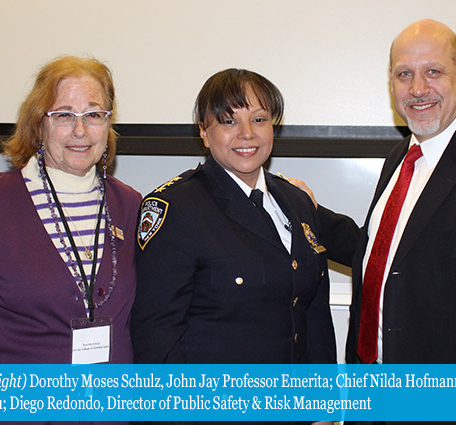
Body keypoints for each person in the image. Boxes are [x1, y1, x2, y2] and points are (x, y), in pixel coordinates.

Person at [297, 19, 456, 368]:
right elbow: (384, 257)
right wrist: (307, 211)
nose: (418, 89)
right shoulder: (401, 158)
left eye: (433, 72)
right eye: (404, 74)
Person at [130, 68, 335, 423]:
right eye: (228, 121)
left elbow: (313, 313)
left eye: (259, 119)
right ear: (204, 133)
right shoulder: (176, 207)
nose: (247, 134)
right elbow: (157, 336)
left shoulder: (297, 201)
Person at [0, 56, 142, 370]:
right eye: (64, 115)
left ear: (108, 124)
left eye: (94, 114)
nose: (80, 130)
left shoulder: (130, 206)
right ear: (38, 123)